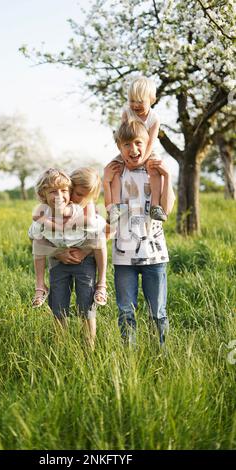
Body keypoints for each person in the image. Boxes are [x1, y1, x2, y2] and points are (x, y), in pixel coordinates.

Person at [103, 120, 175, 346]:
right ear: (119, 147)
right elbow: (110, 212)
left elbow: (165, 210)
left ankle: (160, 356)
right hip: (124, 257)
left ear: (147, 143)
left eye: (138, 143)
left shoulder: (154, 170)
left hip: (154, 255)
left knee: (158, 312)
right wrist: (105, 181)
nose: (133, 149)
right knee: (126, 311)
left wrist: (167, 177)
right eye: (126, 145)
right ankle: (129, 358)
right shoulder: (115, 172)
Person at [29, 168, 107, 348]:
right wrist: (57, 252)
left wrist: (57, 224)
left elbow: (98, 231)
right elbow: (33, 238)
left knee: (86, 306)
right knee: (58, 307)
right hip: (58, 263)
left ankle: (90, 347)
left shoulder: (81, 209)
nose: (60, 195)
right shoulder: (43, 212)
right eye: (53, 192)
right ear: (43, 195)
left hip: (84, 262)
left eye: (64, 191)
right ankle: (61, 346)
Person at [110, 77, 167, 222]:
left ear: (152, 99)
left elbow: (151, 143)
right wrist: (125, 158)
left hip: (146, 150)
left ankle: (155, 206)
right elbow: (122, 137)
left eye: (140, 101)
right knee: (114, 169)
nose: (135, 105)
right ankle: (116, 205)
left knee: (154, 168)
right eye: (132, 101)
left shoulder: (154, 118)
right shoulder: (127, 113)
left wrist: (141, 161)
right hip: (128, 148)